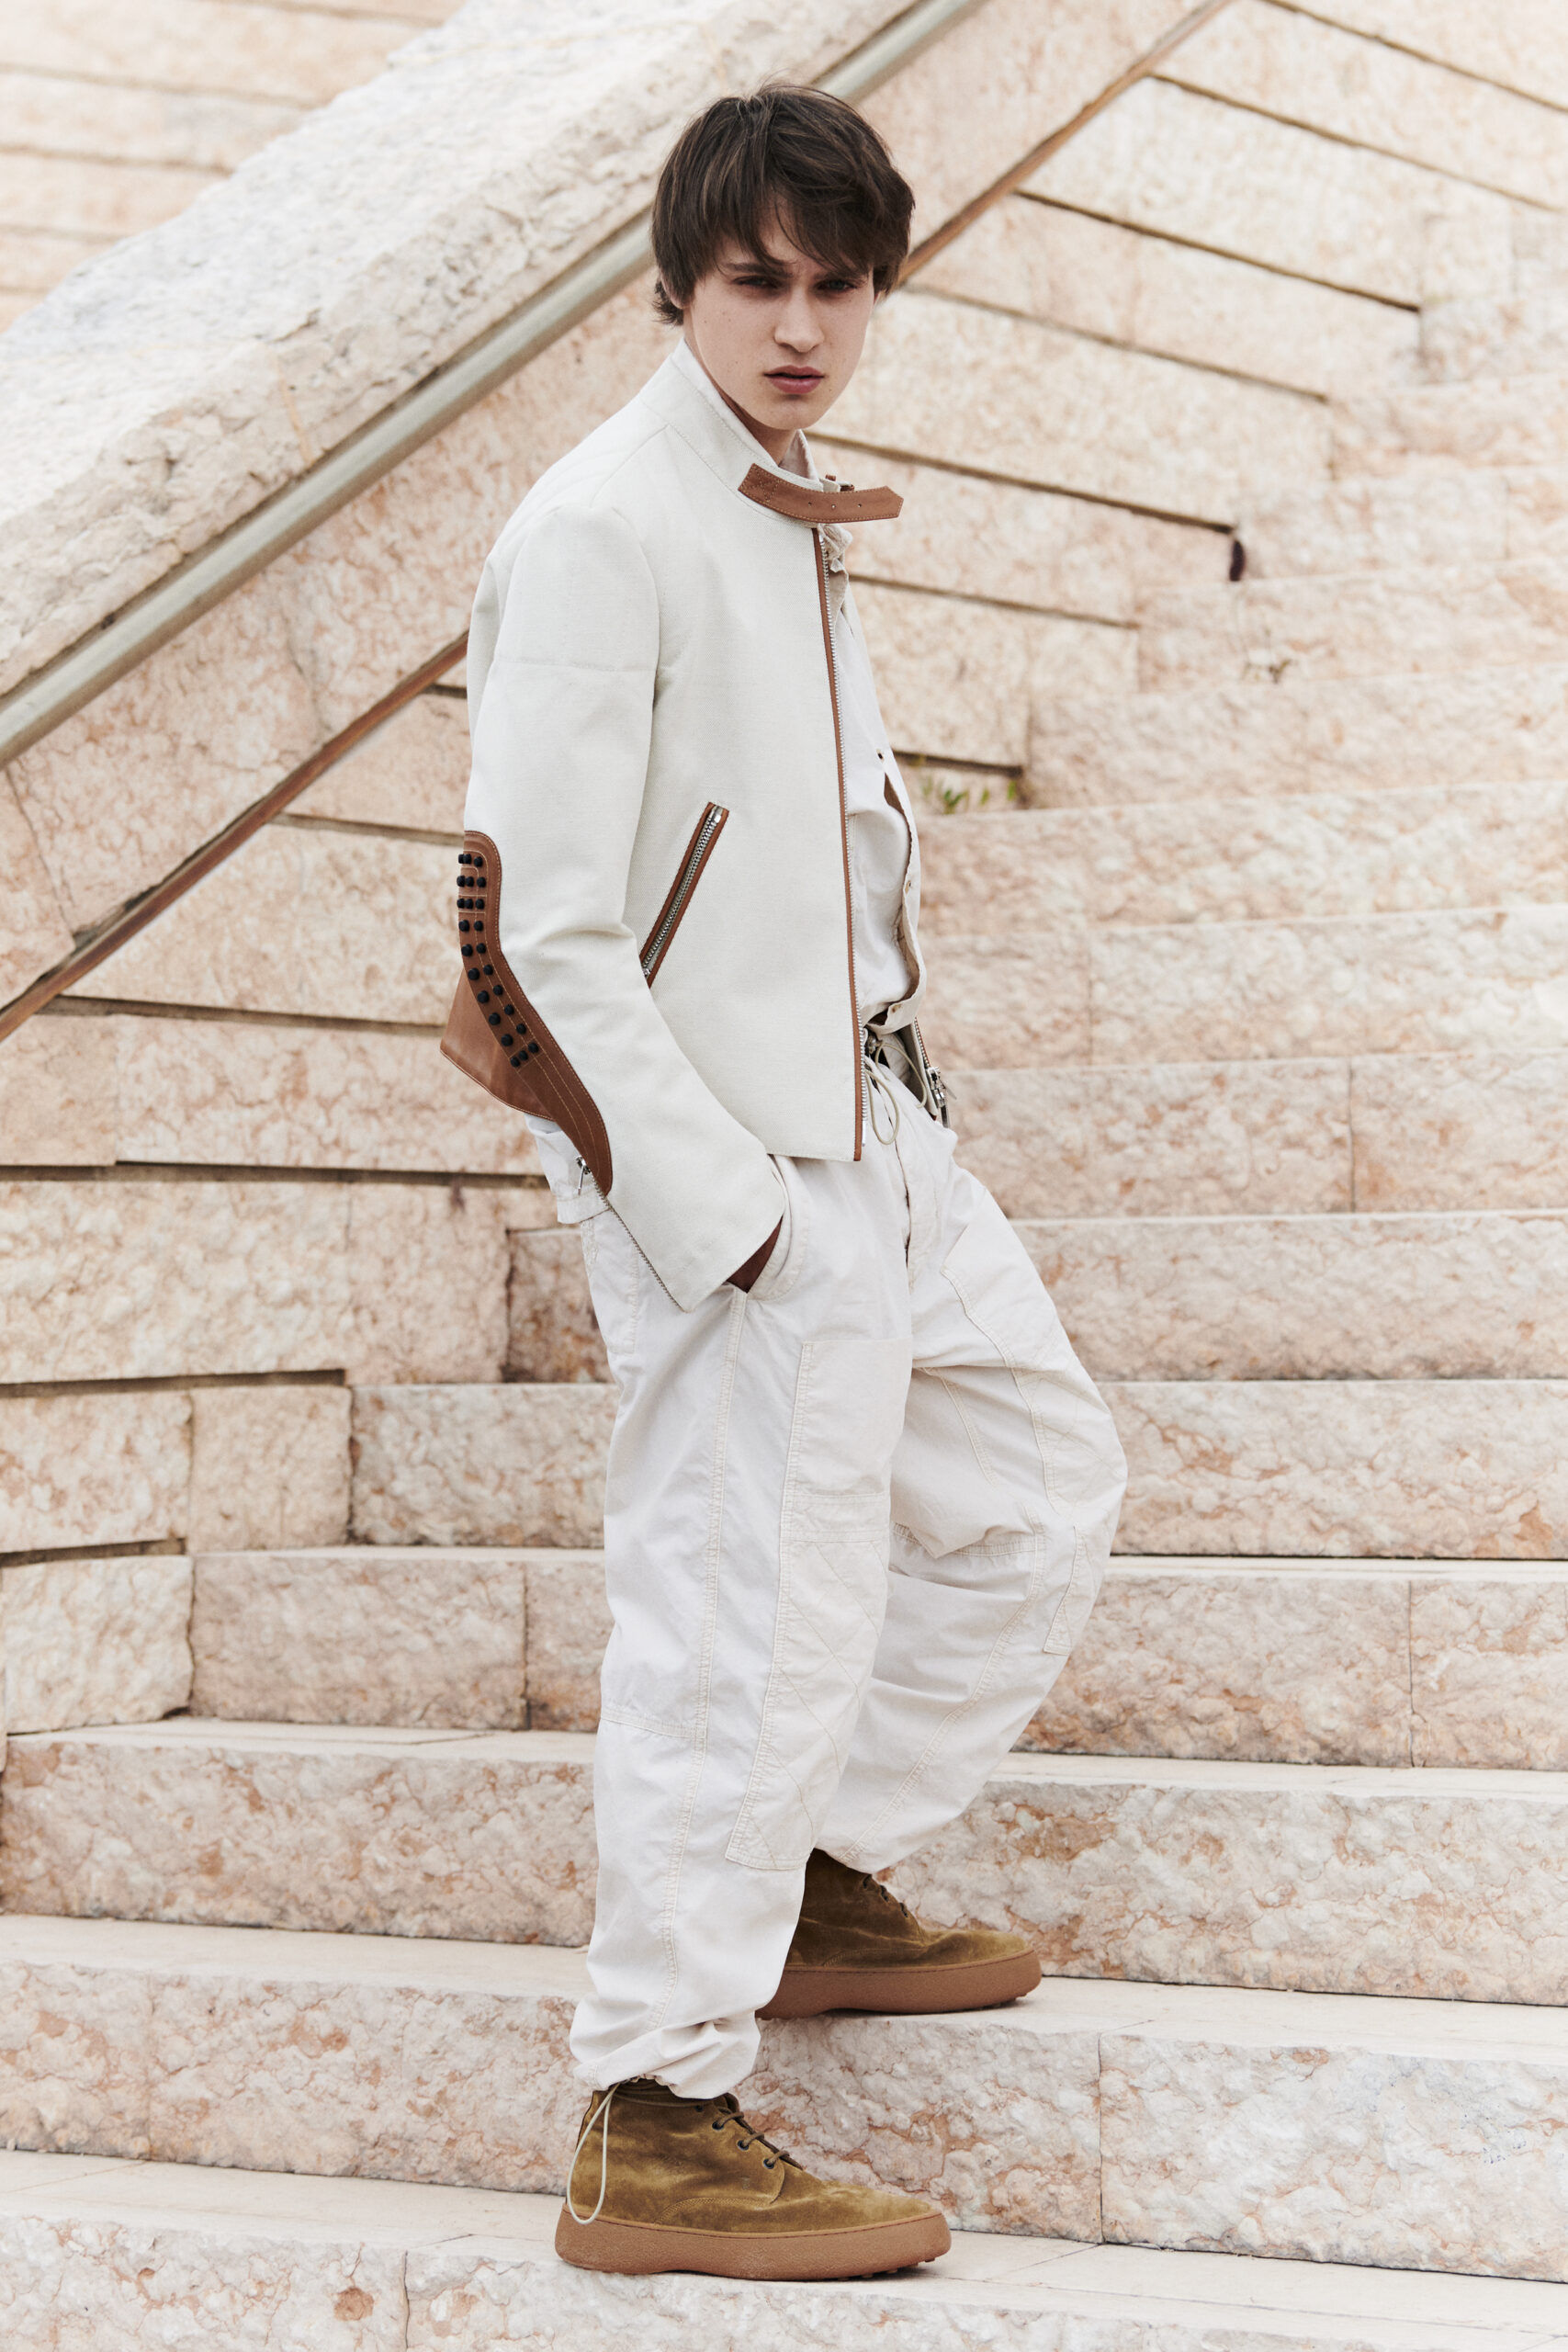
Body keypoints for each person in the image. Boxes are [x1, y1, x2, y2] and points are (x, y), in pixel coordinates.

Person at [445, 83, 1127, 2284]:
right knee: (739, 1618)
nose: (802, 323)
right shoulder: (604, 522)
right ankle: (654, 2106)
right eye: (758, 281)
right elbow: (532, 930)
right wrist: (723, 1212)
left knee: (1036, 1486)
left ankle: (814, 1865)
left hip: (870, 1129)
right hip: (734, 1174)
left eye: (839, 284)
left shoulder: (783, 497)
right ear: (679, 283)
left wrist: (879, 1129)